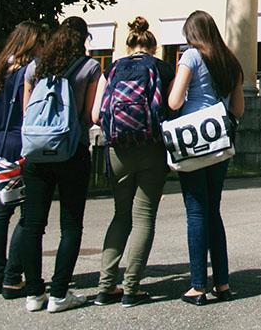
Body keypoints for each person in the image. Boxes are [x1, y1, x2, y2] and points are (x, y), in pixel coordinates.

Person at [90, 17, 175, 308]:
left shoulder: (112, 68)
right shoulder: (163, 68)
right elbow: (174, 106)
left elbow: (95, 115)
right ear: (154, 46)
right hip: (152, 148)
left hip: (117, 149)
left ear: (128, 45)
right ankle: (131, 288)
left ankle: (104, 287)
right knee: (144, 217)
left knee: (120, 215)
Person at [19, 16, 101, 313]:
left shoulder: (35, 68)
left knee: (32, 225)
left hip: (36, 153)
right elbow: (92, 115)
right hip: (71, 151)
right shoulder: (89, 68)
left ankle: (33, 293)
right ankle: (59, 293)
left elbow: (27, 112)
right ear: (83, 39)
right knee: (70, 225)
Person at [168, 10, 245, 305]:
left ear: (192, 35)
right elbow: (238, 110)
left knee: (196, 211)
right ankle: (222, 283)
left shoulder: (190, 56)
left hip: (192, 139)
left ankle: (198, 286)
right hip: (219, 142)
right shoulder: (231, 62)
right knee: (213, 210)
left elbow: (175, 100)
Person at [0, 21, 47, 299]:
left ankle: (0, 275)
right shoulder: (29, 73)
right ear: (32, 43)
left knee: (0, 211)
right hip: (20, 141)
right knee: (28, 213)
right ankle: (13, 275)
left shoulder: (0, 71)